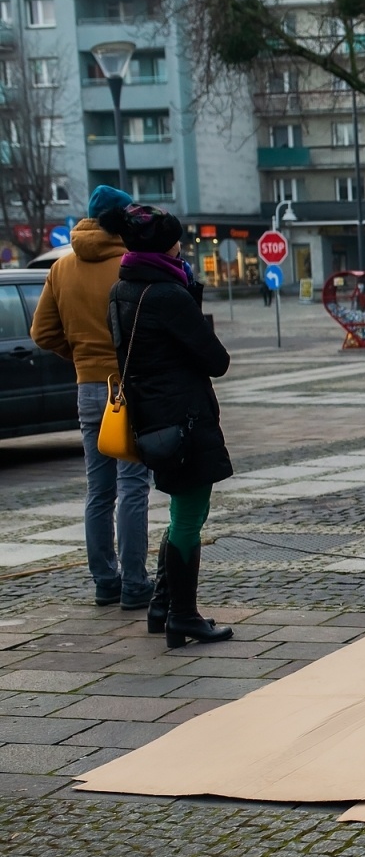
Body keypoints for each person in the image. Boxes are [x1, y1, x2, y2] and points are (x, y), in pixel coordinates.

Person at [103, 203, 235, 649]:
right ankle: (183, 616)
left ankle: (163, 607)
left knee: (181, 513)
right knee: (188, 518)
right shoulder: (167, 295)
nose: (182, 246)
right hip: (185, 420)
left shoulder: (123, 289)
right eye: (177, 240)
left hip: (154, 419)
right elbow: (216, 360)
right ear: (166, 245)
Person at [28, 185, 153, 610]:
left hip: (88, 389)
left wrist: (80, 356)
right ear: (123, 219)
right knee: (133, 486)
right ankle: (136, 583)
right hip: (128, 386)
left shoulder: (62, 267)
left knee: (99, 490)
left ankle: (105, 580)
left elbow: (42, 333)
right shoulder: (131, 265)